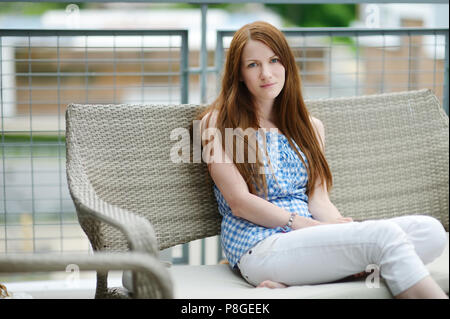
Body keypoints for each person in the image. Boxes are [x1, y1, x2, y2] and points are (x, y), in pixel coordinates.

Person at [197, 21, 448, 299]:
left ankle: (303, 280)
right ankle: (332, 271)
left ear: (287, 63)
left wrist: (345, 228)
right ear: (240, 74)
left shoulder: (310, 126)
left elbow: (318, 201)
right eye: (253, 65)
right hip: (260, 246)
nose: (266, 73)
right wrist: (309, 227)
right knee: (384, 238)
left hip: (309, 240)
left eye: (273, 60)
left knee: (430, 232)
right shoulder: (218, 123)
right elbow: (239, 203)